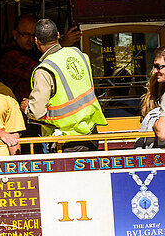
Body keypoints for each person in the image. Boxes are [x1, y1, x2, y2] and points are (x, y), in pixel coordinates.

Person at [22, 19, 106, 153]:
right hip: (91, 134)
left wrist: (27, 108)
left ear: (36, 40)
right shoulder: (80, 55)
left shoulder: (44, 70)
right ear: (58, 35)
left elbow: (36, 112)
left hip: (67, 141)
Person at [0, 14, 38, 102]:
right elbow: (40, 71)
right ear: (15, 34)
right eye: (26, 34)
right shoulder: (11, 57)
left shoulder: (30, 52)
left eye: (34, 35)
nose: (31, 40)